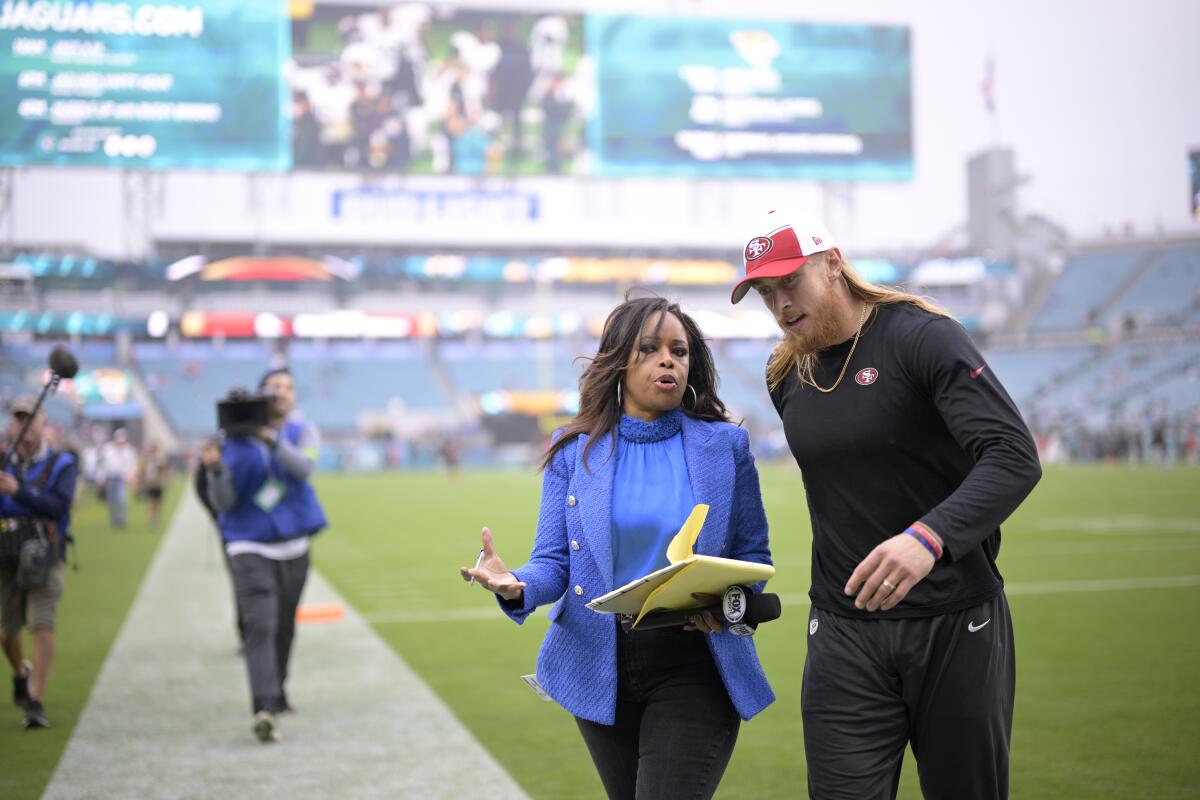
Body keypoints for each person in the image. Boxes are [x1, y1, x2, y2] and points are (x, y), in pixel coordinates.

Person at [730, 210, 1042, 799]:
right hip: (843, 630)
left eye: (789, 283)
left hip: (954, 619)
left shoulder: (922, 337)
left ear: (833, 264)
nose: (780, 306)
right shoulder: (784, 375)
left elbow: (1011, 454)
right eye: (766, 294)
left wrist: (928, 538)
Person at [462, 296, 775, 799]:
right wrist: (516, 584)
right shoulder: (573, 448)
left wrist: (729, 602)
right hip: (596, 660)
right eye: (649, 349)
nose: (668, 360)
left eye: (679, 350)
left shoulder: (725, 447)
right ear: (618, 362)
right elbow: (555, 561)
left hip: (695, 660)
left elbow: (753, 557)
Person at [201, 368, 326, 743]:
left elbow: (303, 469)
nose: (284, 393)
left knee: (285, 626)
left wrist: (269, 439)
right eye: (276, 387)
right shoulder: (230, 442)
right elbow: (222, 502)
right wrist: (216, 469)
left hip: (294, 547)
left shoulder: (301, 432)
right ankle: (264, 707)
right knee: (261, 626)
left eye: (290, 387)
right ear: (261, 396)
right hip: (248, 547)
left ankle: (278, 690)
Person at [0, 397, 78, 729]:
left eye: (31, 419)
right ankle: (21, 672)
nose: (25, 425)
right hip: (5, 554)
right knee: (6, 632)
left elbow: (58, 508)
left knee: (41, 625)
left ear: (44, 425)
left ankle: (36, 700)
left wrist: (18, 493)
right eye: (19, 419)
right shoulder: (4, 461)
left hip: (45, 555)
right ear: (10, 426)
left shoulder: (62, 464)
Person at [97, 428, 137, 530]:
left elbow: (131, 465)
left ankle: (120, 520)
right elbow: (102, 464)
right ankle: (113, 520)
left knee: (121, 499)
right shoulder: (107, 448)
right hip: (110, 477)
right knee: (112, 500)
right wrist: (100, 477)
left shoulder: (128, 450)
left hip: (121, 478)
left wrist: (131, 476)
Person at [137, 442, 170, 529]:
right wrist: (140, 483)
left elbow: (164, 469)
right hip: (149, 484)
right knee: (150, 502)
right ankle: (151, 519)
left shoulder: (160, 458)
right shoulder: (145, 459)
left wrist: (165, 480)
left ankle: (156, 519)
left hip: (158, 484)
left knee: (158, 503)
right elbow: (141, 471)